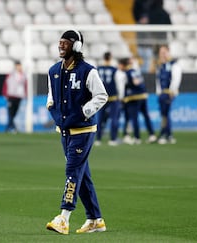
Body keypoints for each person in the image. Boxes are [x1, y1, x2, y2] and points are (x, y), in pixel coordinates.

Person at [46, 30, 108, 235]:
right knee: (82, 174)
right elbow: (51, 99)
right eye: (60, 42)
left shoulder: (88, 71)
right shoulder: (53, 70)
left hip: (84, 130)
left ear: (77, 46)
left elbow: (101, 96)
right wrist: (54, 113)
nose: (61, 46)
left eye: (65, 43)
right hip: (64, 131)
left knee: (72, 170)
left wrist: (84, 112)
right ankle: (95, 219)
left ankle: (63, 217)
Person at [116, 58, 156, 144]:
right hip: (143, 95)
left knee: (134, 118)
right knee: (146, 116)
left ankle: (137, 137)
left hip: (133, 97)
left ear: (123, 65)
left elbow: (123, 87)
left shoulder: (125, 74)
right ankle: (152, 134)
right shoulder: (136, 71)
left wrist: (122, 98)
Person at [156, 45, 182, 144]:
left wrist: (172, 90)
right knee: (163, 115)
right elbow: (158, 80)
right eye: (160, 52)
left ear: (168, 52)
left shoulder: (174, 65)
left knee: (166, 114)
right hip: (162, 93)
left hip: (168, 93)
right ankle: (166, 134)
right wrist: (158, 92)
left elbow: (176, 78)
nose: (162, 55)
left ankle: (166, 134)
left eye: (163, 52)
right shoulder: (161, 65)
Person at [95, 52, 121, 146]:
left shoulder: (98, 69)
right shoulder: (114, 70)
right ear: (110, 58)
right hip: (113, 97)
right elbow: (119, 84)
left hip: (102, 98)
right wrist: (120, 96)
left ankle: (98, 139)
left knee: (100, 118)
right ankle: (113, 139)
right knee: (114, 118)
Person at [2, 60, 27, 133]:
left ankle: (9, 127)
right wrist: (5, 94)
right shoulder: (10, 75)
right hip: (11, 96)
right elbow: (5, 84)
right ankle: (13, 127)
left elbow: (25, 85)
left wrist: (25, 94)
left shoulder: (23, 75)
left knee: (14, 113)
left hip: (18, 97)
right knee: (10, 112)